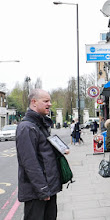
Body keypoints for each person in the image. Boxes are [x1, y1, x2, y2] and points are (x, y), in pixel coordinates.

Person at [16, 89, 64, 220]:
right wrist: (42, 189)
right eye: (46, 101)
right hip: (37, 192)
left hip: (49, 188)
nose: (50, 104)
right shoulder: (26, 127)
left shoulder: (40, 124)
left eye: (50, 101)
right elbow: (29, 163)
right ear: (34, 102)